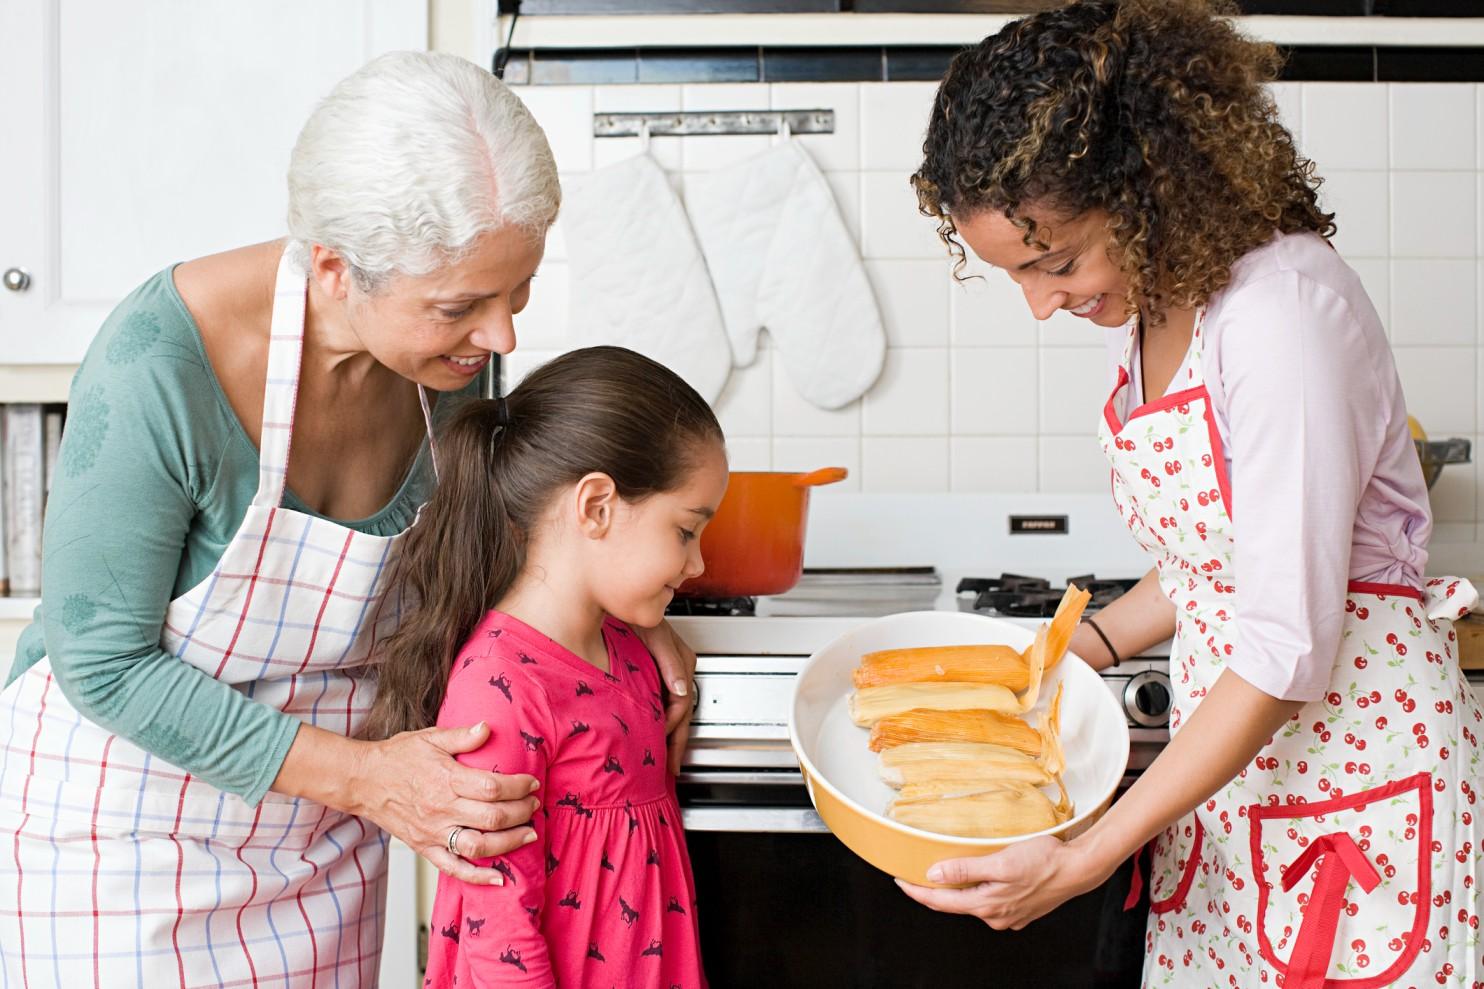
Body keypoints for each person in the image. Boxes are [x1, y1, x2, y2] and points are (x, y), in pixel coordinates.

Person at [0, 52, 698, 985]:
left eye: (517, 293)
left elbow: (488, 561)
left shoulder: (440, 370)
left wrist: (620, 623)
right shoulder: (158, 366)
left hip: (321, 852)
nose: (502, 340)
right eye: (461, 307)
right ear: (333, 266)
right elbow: (103, 663)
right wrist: (370, 779)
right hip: (120, 842)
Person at [898, 2, 1483, 986]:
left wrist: (1082, 855)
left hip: (1352, 779)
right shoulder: (1165, 304)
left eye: (1054, 261)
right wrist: (1068, 652)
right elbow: (1208, 558)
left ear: (1146, 188)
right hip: (1232, 785)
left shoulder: (1279, 312)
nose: (1041, 304)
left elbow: (1281, 643)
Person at [366, 346, 723, 987]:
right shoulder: (503, 685)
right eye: (686, 530)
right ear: (596, 507)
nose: (697, 565)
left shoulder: (628, 648)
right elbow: (495, 918)